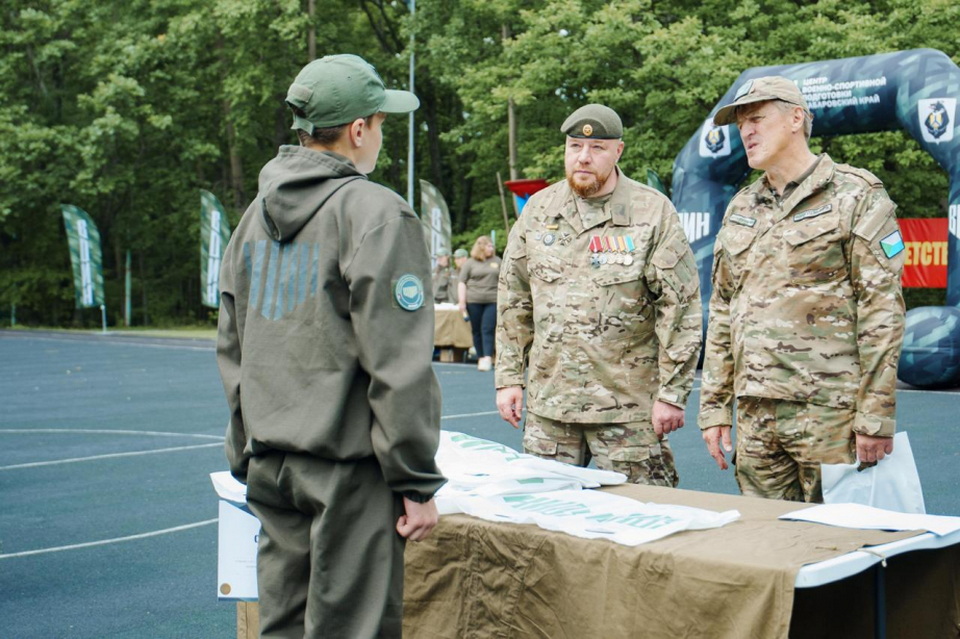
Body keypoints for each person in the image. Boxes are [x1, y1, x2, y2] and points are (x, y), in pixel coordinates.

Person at [216, 53, 446, 638]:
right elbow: (397, 363)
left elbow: (233, 343)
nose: (381, 135)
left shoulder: (251, 216)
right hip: (348, 472)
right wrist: (415, 480)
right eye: (380, 121)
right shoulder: (375, 212)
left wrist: (246, 448)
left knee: (283, 627)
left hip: (272, 464)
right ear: (358, 129)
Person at [699, 76, 905, 502]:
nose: (747, 132)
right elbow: (723, 308)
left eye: (757, 119)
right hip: (756, 414)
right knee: (765, 545)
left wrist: (875, 416)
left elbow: (881, 312)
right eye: (741, 125)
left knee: (838, 546)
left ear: (796, 118)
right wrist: (714, 407)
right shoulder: (741, 206)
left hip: (829, 411)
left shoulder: (856, 194)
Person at [495, 104, 702, 485]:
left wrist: (672, 394)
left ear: (618, 151)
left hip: (627, 409)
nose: (584, 158)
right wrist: (509, 377)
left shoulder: (651, 212)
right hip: (551, 407)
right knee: (543, 523)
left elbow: (681, 309)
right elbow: (514, 298)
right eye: (575, 146)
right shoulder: (540, 210)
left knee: (643, 522)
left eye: (597, 148)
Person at [458, 236, 501, 371]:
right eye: (489, 246)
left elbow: (504, 280)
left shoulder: (497, 261)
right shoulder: (470, 263)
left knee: (487, 328)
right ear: (481, 247)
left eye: (492, 246)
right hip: (473, 300)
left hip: (492, 299)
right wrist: (461, 301)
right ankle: (481, 356)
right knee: (476, 330)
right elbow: (462, 282)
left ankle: (488, 357)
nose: (491, 248)